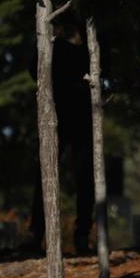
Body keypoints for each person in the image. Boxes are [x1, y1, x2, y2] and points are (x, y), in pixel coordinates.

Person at [30, 19, 95, 255]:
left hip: (81, 117)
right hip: (55, 115)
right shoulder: (51, 44)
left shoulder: (88, 39)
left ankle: (81, 234)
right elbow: (34, 70)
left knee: (84, 176)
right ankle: (37, 233)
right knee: (46, 173)